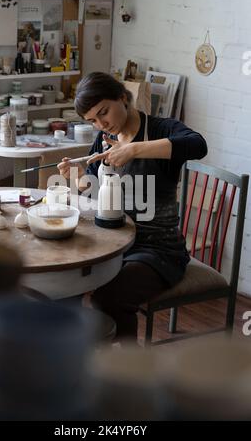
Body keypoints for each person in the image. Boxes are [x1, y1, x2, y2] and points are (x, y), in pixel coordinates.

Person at [58, 72, 208, 342]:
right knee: (66, 284)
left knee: (110, 297)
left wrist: (134, 149)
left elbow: (198, 145)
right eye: (92, 120)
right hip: (113, 241)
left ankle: (128, 370)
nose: (101, 124)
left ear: (122, 98)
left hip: (156, 249)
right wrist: (76, 174)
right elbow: (91, 187)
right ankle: (73, 359)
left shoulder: (161, 129)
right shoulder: (104, 138)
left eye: (104, 113)